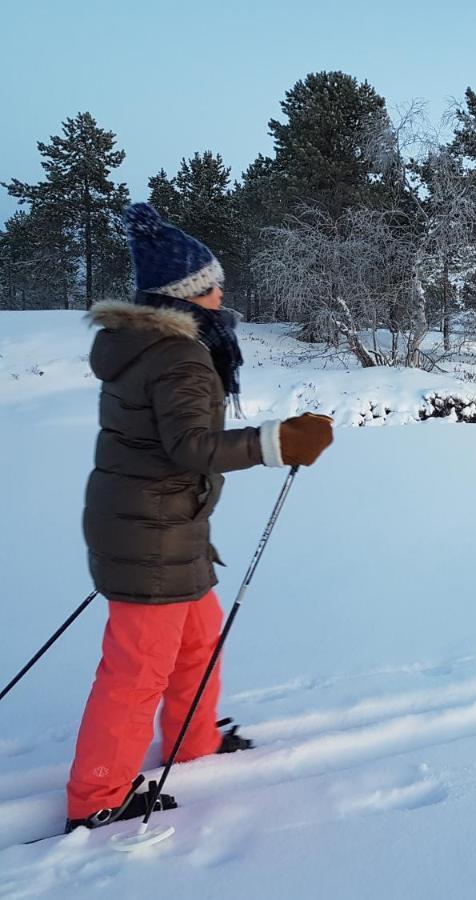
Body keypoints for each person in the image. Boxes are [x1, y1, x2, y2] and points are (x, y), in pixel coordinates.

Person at [65, 203, 334, 831]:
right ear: (183, 296)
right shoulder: (178, 356)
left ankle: (193, 744)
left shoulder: (150, 347)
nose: (221, 294)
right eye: (211, 284)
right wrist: (277, 443)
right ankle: (98, 798)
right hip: (150, 532)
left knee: (196, 642)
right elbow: (190, 447)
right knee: (137, 670)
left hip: (161, 525)